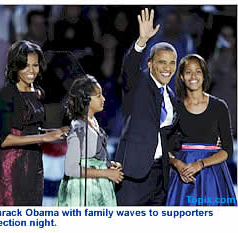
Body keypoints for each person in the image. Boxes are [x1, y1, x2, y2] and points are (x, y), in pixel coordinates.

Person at [0, 40, 70, 206]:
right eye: (25, 66)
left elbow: (29, 127)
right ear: (15, 67)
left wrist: (57, 132)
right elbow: (5, 139)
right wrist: (45, 137)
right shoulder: (7, 95)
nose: (31, 71)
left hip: (32, 160)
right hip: (10, 164)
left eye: (35, 65)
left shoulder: (36, 92)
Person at [115, 8, 178, 206]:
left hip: (162, 175)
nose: (167, 68)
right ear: (149, 63)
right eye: (161, 62)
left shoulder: (172, 96)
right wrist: (141, 42)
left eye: (172, 63)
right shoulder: (138, 83)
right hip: (135, 173)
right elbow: (129, 69)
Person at [166, 54, 237, 206]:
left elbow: (227, 150)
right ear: (182, 77)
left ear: (204, 75)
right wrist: (177, 164)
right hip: (184, 173)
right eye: (188, 72)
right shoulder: (175, 107)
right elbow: (163, 146)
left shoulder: (219, 106)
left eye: (198, 71)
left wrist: (201, 164)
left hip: (213, 173)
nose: (193, 76)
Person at [56, 75, 124, 206]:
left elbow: (90, 160)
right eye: (98, 96)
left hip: (97, 189)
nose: (103, 99)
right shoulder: (78, 129)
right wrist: (106, 173)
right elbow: (70, 169)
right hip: (84, 192)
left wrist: (109, 165)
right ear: (86, 100)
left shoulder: (93, 123)